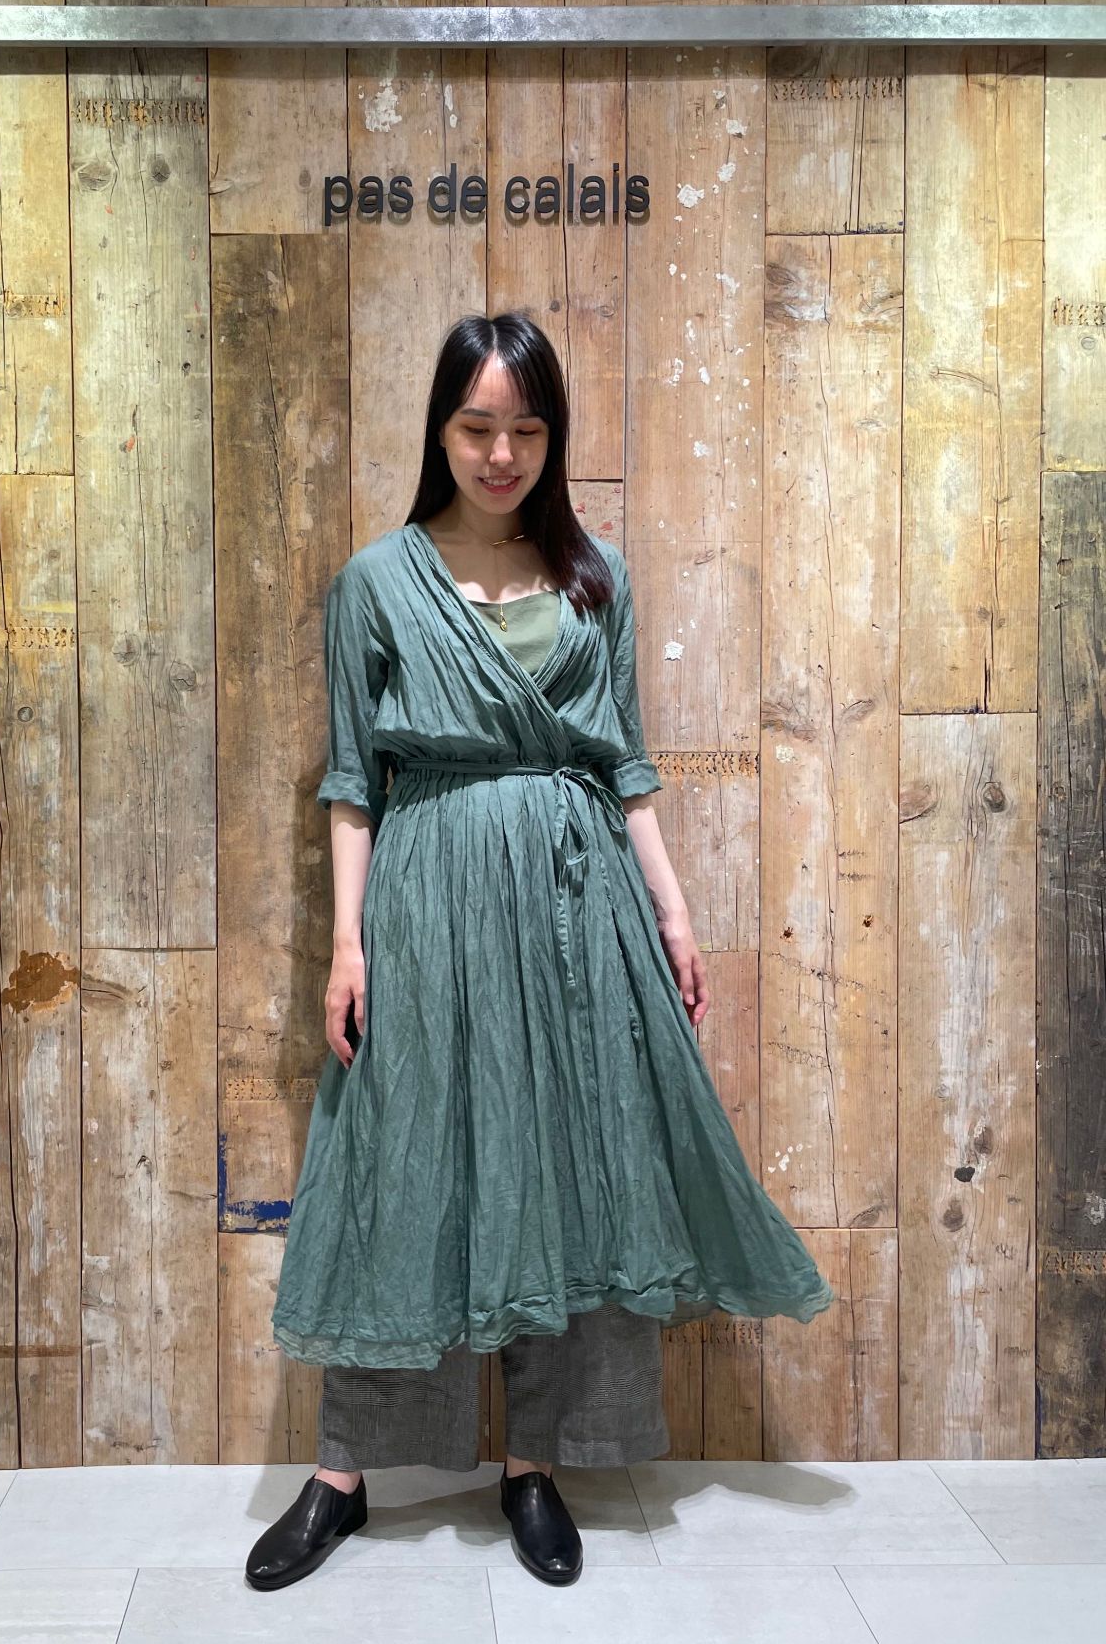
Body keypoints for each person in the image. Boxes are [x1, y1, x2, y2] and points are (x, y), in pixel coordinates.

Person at [246, 311, 835, 1593]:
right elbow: (351, 781)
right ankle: (343, 1471)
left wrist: (671, 908)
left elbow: (623, 761)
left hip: (576, 904)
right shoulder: (375, 581)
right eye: (476, 426)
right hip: (428, 896)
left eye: (524, 428)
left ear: (552, 435)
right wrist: (344, 945)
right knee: (400, 1165)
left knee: (567, 1169)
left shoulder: (592, 575)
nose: (500, 452)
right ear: (439, 430)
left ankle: (533, 1464)